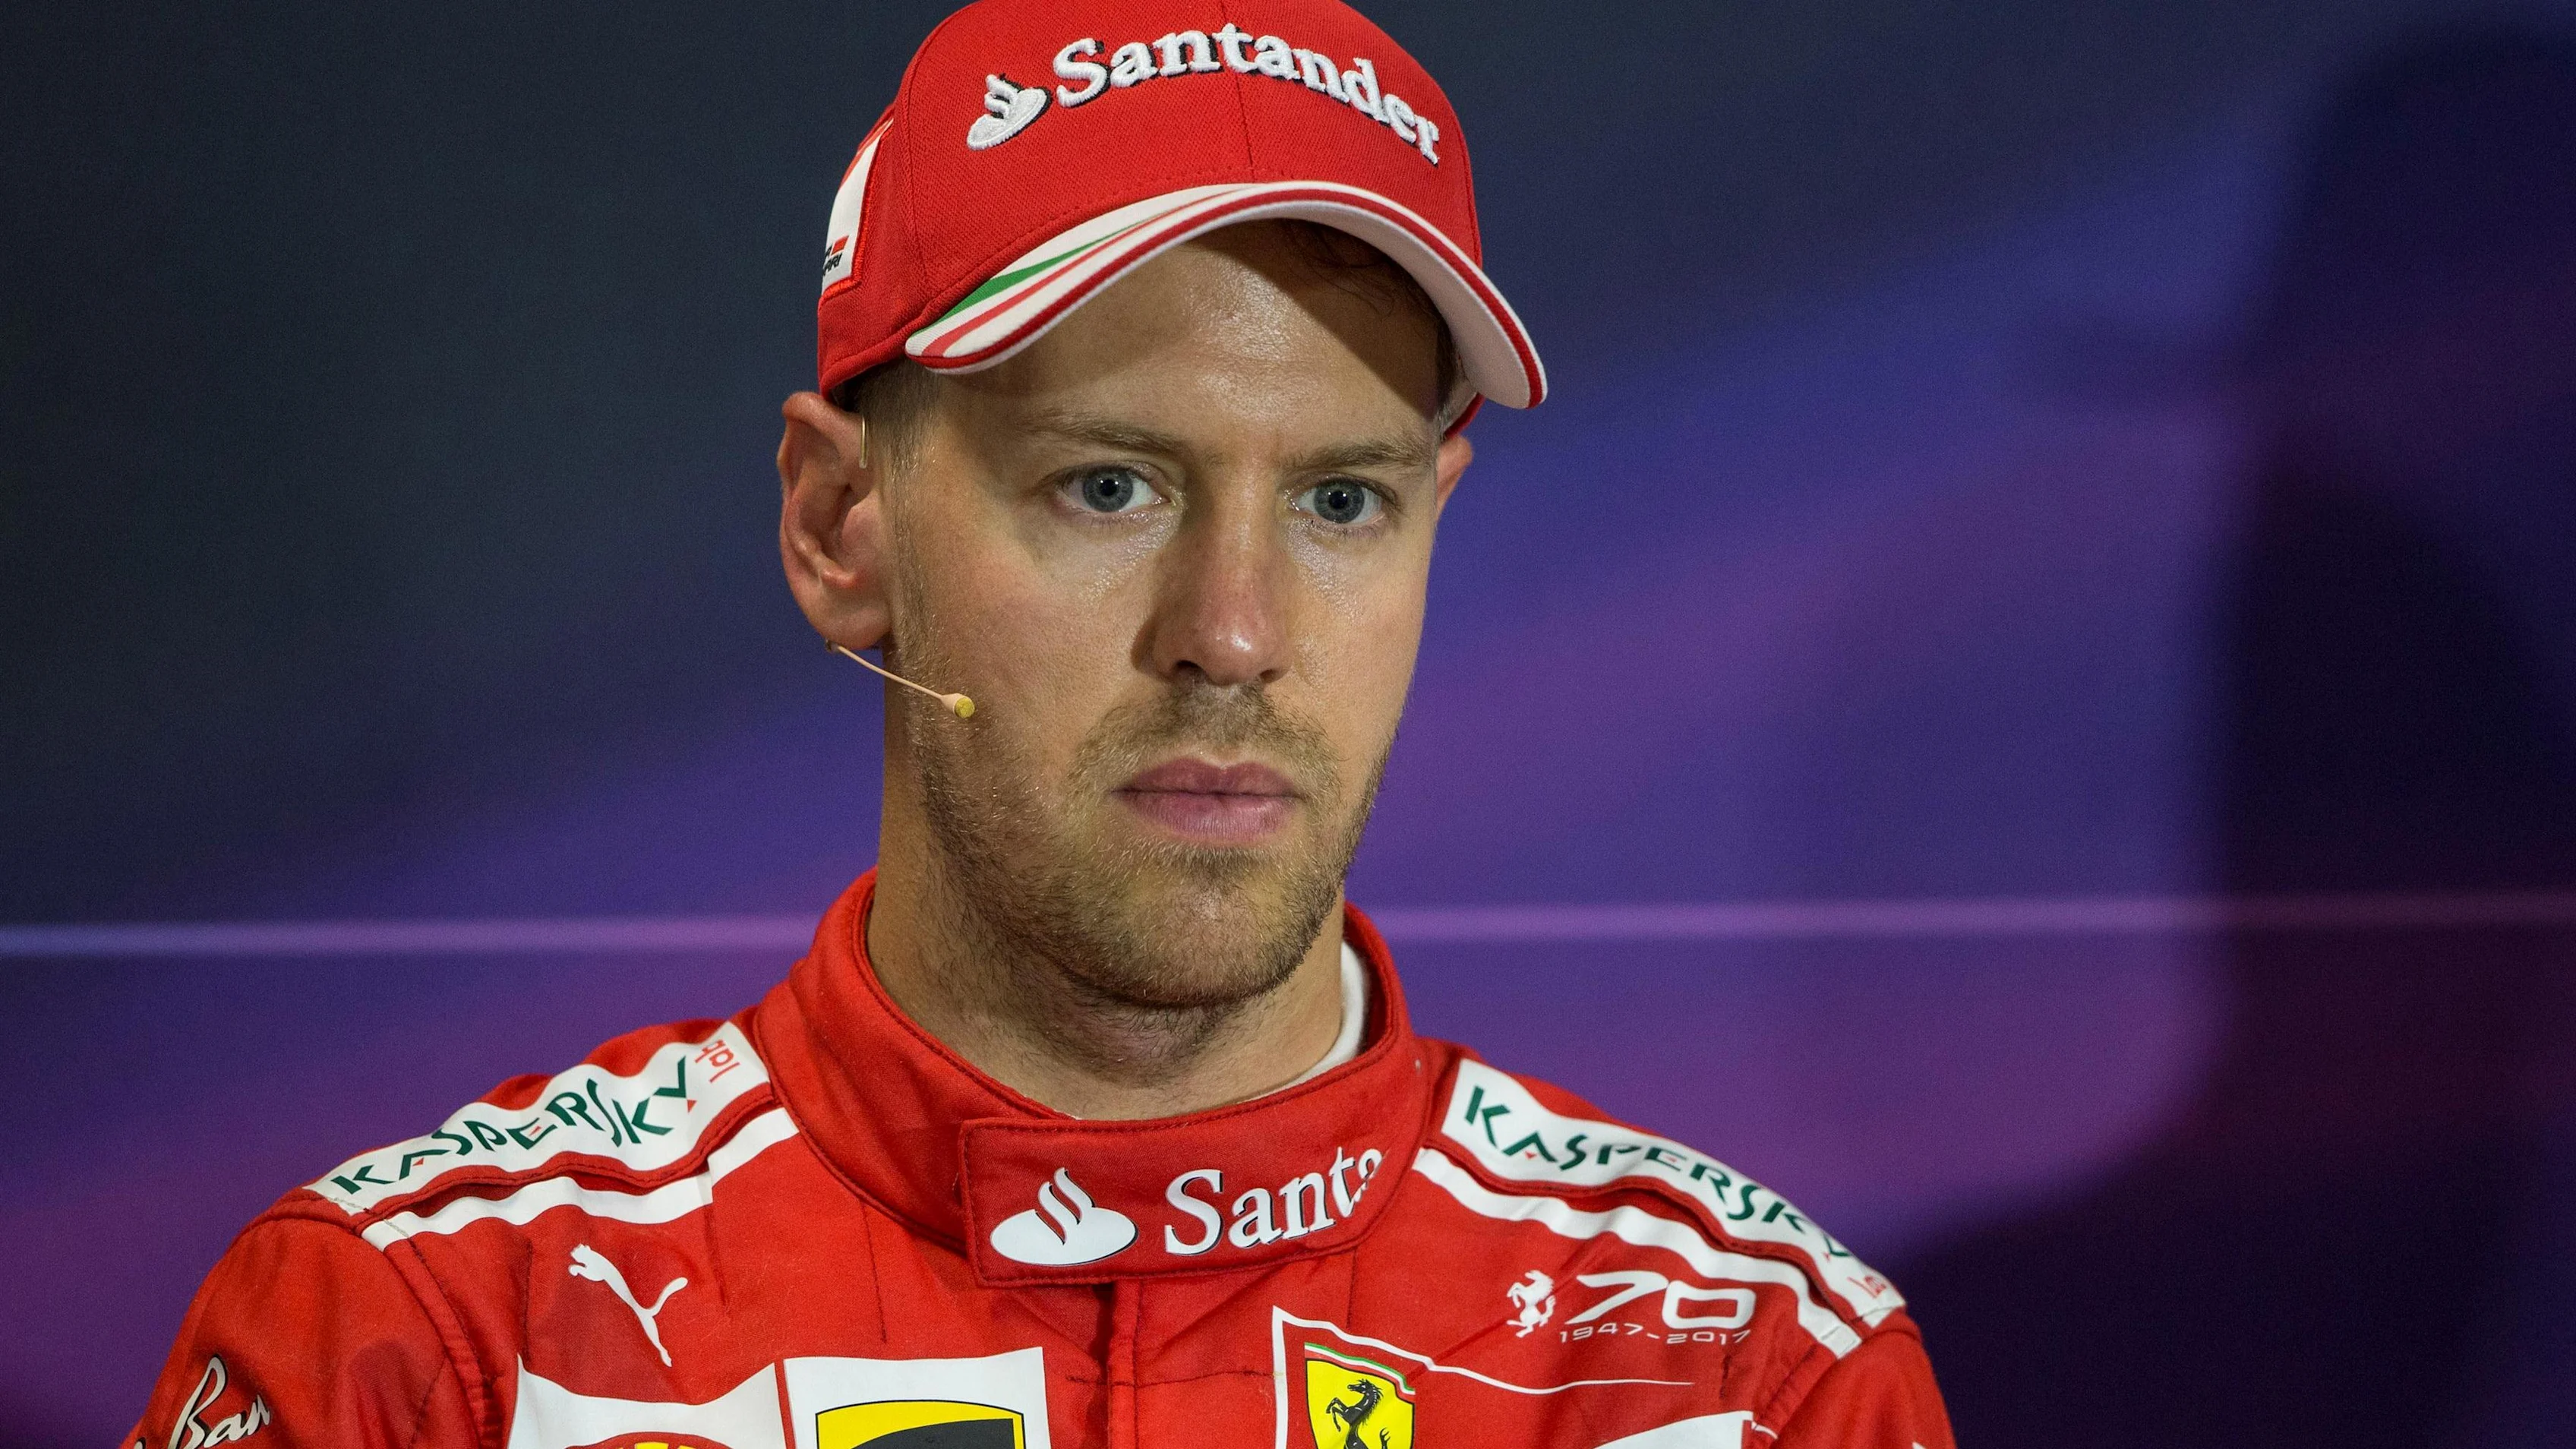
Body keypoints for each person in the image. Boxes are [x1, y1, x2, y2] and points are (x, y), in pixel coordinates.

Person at [129, 3, 1953, 1446]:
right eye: (1107, 487)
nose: (1233, 634)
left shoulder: (1742, 1385)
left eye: (1340, 504)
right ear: (841, 528)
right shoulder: (419, 1348)